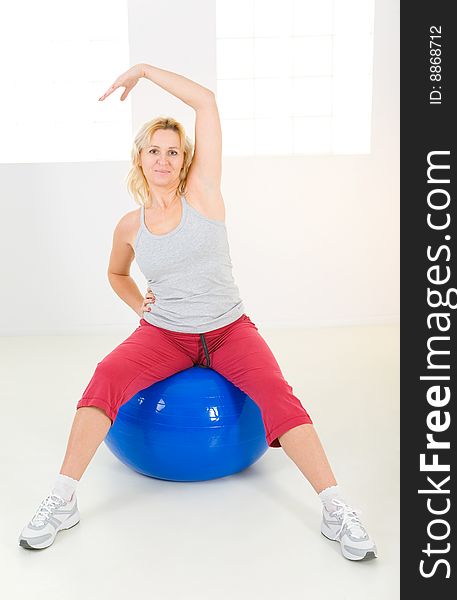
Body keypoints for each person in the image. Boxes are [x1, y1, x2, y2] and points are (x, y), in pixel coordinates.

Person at [18, 63, 378, 561]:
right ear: (139, 158)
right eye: (154, 150)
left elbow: (206, 101)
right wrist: (137, 303)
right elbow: (118, 275)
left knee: (276, 393)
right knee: (105, 375)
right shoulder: (129, 225)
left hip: (229, 330)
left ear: (184, 159)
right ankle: (62, 500)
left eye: (173, 151)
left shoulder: (203, 194)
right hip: (164, 335)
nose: (163, 159)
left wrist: (143, 70)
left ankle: (336, 508)